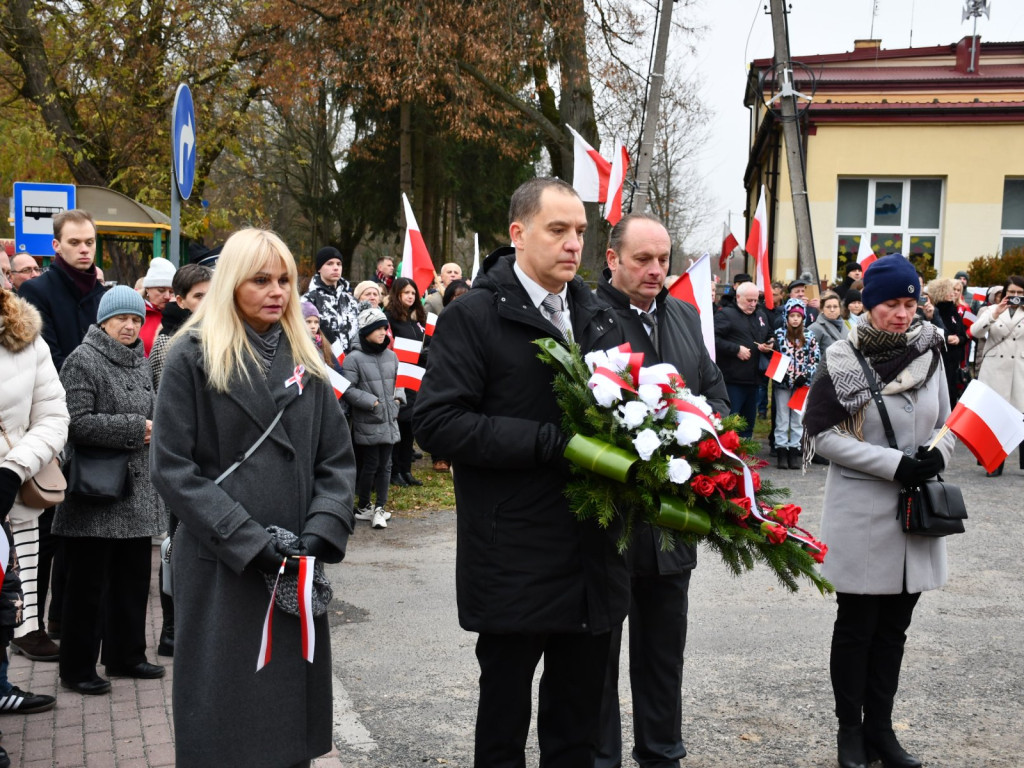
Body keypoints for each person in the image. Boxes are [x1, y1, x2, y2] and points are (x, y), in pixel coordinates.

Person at [413, 177, 629, 768]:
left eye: (580, 231)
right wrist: (548, 443)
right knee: (504, 729)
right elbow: (436, 421)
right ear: (519, 233)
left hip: (592, 554)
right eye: (557, 230)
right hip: (513, 553)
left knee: (577, 732)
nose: (572, 244)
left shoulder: (598, 314)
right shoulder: (475, 317)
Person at [150, 228, 356, 768]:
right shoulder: (189, 356)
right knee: (226, 721)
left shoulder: (306, 358)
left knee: (286, 730)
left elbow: (337, 458)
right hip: (223, 565)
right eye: (261, 279)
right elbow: (172, 469)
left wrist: (322, 528)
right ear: (232, 283)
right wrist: (247, 541)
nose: (277, 291)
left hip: (293, 563)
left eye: (285, 279)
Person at [803, 254, 953, 768]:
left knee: (894, 633)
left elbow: (948, 426)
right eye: (892, 303)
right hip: (863, 513)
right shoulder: (842, 358)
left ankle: (881, 731)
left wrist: (937, 455)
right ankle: (850, 732)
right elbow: (821, 436)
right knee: (857, 628)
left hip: (916, 515)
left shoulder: (930, 350)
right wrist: (894, 465)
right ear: (868, 303)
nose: (903, 313)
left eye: (911, 303)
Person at [595, 213, 728, 768]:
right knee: (595, 659)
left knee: (662, 655)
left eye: (663, 259)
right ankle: (598, 757)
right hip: (607, 522)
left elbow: (716, 395)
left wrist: (697, 430)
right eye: (642, 259)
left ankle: (662, 754)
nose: (656, 270)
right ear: (612, 259)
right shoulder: (587, 317)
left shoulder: (684, 314)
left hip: (673, 522)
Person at [55, 286, 166, 695]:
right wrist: (137, 430)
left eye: (136, 319)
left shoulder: (138, 360)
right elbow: (75, 423)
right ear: (103, 320)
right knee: (87, 588)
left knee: (132, 580)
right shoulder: (82, 361)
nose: (130, 325)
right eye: (121, 318)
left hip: (136, 492)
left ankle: (126, 656)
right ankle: (78, 668)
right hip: (96, 494)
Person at [17, 209, 105, 653]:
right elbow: (46, 356)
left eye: (89, 241)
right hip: (50, 420)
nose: (84, 249)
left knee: (79, 525)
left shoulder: (102, 292)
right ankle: (26, 624)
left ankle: (61, 617)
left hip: (91, 422)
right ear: (56, 246)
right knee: (45, 526)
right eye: (75, 242)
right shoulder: (36, 290)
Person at [0, 282, 68, 717]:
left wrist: (13, 468)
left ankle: (1, 685)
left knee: (8, 607)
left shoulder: (25, 337)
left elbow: (53, 415)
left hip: (12, 493)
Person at [342, 307, 404, 530]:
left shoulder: (392, 356)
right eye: (377, 328)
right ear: (366, 331)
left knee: (386, 465)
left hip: (390, 419)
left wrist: (397, 401)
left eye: (384, 328)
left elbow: (401, 382)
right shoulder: (353, 359)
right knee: (370, 465)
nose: (383, 332)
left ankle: (380, 507)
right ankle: (364, 505)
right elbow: (347, 390)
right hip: (369, 420)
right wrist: (373, 402)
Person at [967, 275, 1024, 476]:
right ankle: (992, 462)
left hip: (1019, 370)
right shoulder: (991, 310)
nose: (1016, 297)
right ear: (1004, 293)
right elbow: (974, 331)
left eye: (1020, 293)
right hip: (994, 369)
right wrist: (995, 313)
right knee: (994, 417)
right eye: (1012, 293)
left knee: (1021, 417)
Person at [713, 281, 774, 438]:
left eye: (756, 300)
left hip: (754, 380)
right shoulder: (725, 315)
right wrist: (736, 350)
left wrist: (769, 344)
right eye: (749, 300)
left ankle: (745, 458)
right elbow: (712, 339)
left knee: (748, 425)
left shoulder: (761, 315)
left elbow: (769, 335)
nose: (753, 304)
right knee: (730, 424)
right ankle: (727, 458)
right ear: (738, 297)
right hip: (732, 380)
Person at [385, 276, 427, 487]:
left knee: (410, 423)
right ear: (397, 294)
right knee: (398, 425)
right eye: (406, 293)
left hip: (414, 377)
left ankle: (406, 470)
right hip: (397, 378)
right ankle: (393, 472)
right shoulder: (389, 318)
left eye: (413, 293)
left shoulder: (415, 321)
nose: (411, 296)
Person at [150, 263, 212, 392]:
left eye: (211, 295)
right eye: (199, 296)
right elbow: (166, 397)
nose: (207, 302)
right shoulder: (166, 342)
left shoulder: (227, 333)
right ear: (180, 301)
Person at [773, 299, 819, 469]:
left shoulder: (809, 335)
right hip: (782, 385)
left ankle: (794, 450)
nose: (794, 319)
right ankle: (781, 451)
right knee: (782, 418)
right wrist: (782, 375)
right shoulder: (778, 334)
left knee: (797, 419)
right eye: (791, 315)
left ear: (803, 318)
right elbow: (775, 356)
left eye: (798, 316)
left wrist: (806, 375)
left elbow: (815, 359)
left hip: (801, 385)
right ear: (786, 316)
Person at [302, 246, 360, 355]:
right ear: (319, 268)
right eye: (330, 264)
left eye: (339, 264)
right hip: (322, 360)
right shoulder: (308, 301)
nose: (336, 267)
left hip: (352, 362)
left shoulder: (351, 301)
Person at [927, 277, 968, 407]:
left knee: (952, 395)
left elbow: (963, 334)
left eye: (955, 290)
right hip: (940, 360)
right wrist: (947, 337)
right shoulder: (934, 311)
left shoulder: (954, 310)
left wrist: (959, 339)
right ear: (940, 291)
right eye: (949, 290)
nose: (953, 293)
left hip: (954, 363)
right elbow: (932, 331)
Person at [139, 257, 176, 356]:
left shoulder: (179, 314)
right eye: (161, 290)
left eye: (171, 291)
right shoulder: (136, 313)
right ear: (147, 289)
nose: (167, 296)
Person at [809, 291, 849, 367]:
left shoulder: (845, 326)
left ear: (840, 309)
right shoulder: (815, 328)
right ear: (822, 309)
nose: (832, 310)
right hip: (826, 372)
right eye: (828, 307)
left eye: (835, 307)